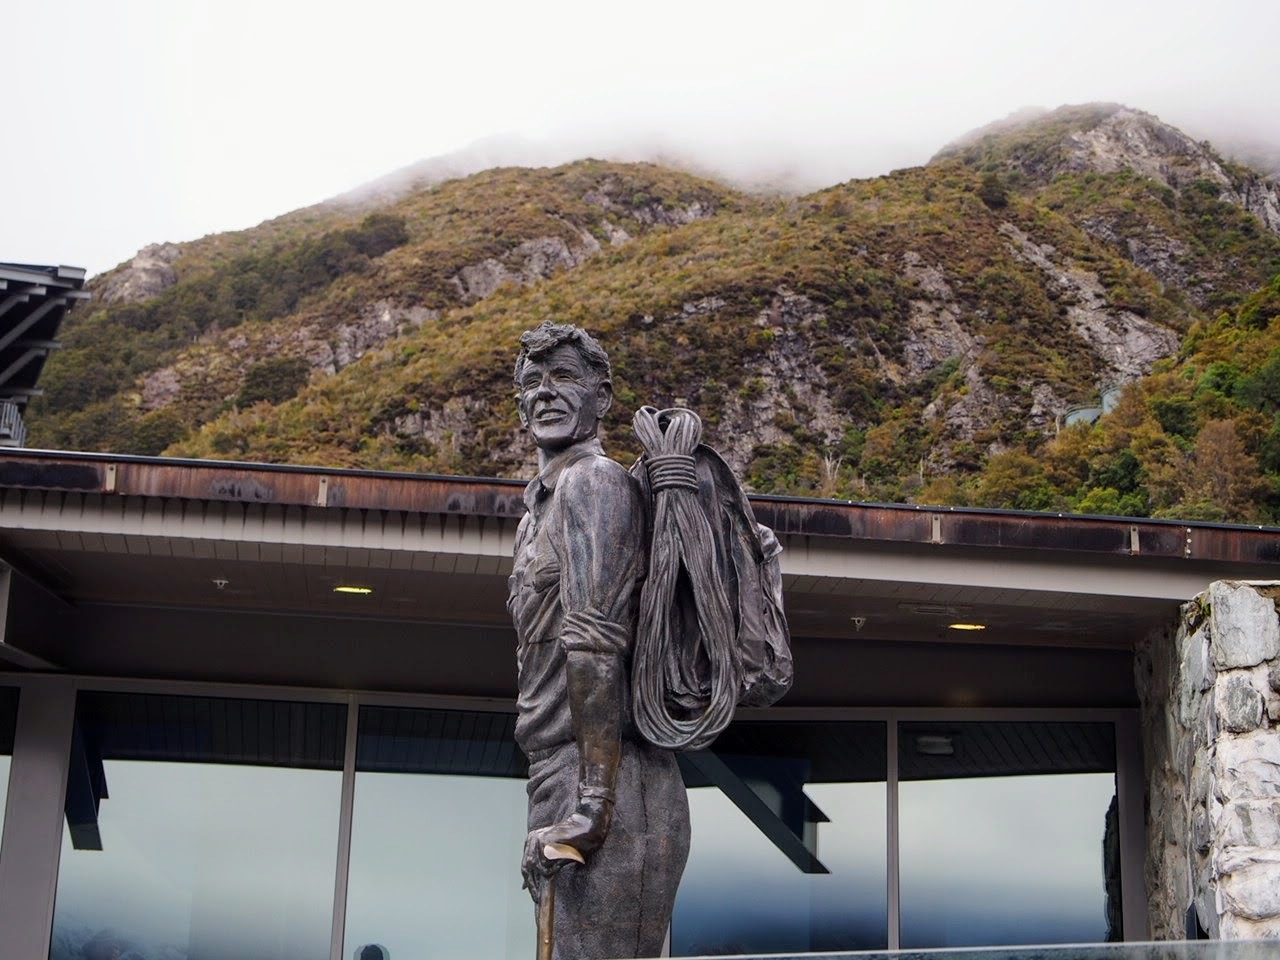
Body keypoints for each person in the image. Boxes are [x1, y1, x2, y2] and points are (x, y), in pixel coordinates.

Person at [509, 322, 690, 959]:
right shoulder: (536, 512)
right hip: (560, 770)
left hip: (611, 779)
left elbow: (595, 645)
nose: (545, 393)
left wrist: (592, 805)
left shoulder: (594, 483)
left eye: (564, 377)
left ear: (602, 397)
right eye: (533, 382)